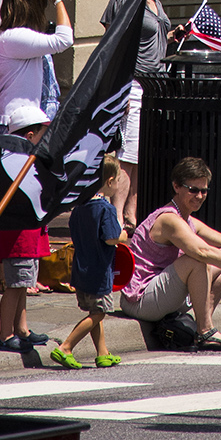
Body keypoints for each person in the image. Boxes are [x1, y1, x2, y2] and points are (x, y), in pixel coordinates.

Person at [120, 155, 221, 348]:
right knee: (197, 260)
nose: (199, 196)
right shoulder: (169, 219)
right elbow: (201, 252)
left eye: (204, 190)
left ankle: (200, 325)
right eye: (193, 190)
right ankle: (206, 331)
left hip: (163, 295)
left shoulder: (189, 221)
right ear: (176, 186)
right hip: (138, 300)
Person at [100, 0, 172, 228]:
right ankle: (116, 215)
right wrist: (120, 91)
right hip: (133, 85)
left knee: (141, 155)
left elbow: (153, 38)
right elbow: (112, 47)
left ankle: (132, 212)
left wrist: (175, 35)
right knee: (126, 155)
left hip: (154, 85)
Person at [0, 102, 53, 356]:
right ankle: (5, 334)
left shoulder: (26, 161)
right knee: (14, 286)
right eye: (42, 135)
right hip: (19, 237)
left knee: (23, 284)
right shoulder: (15, 164)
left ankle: (21, 328)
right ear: (29, 136)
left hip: (29, 234)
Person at [52, 152, 123, 369]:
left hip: (81, 270)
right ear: (109, 181)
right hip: (99, 272)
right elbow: (111, 238)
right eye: (118, 180)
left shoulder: (79, 207)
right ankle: (66, 346)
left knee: (94, 311)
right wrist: (124, 236)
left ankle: (103, 353)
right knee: (99, 312)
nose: (118, 185)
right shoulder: (106, 209)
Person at [0, 0, 74, 129]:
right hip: (13, 123)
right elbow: (65, 39)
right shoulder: (14, 37)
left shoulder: (15, 37)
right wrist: (58, 0)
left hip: (24, 120)